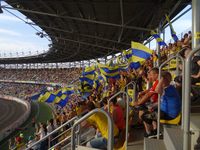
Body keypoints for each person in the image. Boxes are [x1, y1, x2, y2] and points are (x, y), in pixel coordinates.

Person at [141, 71, 181, 138]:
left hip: (169, 114)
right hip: (165, 111)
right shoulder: (168, 88)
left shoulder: (168, 89)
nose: (158, 81)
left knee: (144, 116)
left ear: (164, 80)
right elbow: (161, 101)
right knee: (150, 111)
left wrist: (162, 79)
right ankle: (156, 131)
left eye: (160, 80)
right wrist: (153, 106)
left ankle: (150, 133)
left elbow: (157, 90)